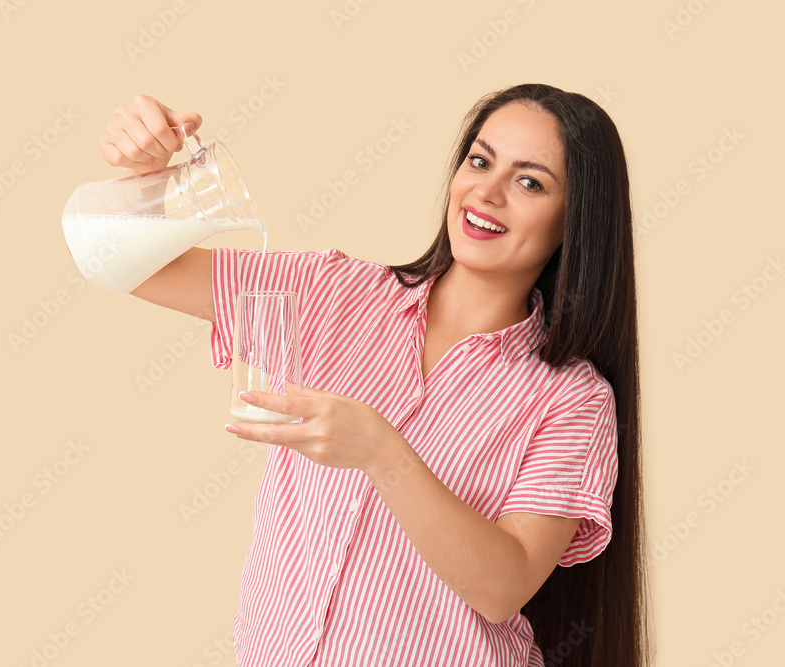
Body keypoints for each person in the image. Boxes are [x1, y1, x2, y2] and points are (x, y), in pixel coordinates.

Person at [97, 84, 650, 666]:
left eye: (529, 181)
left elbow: (502, 588)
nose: (486, 193)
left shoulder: (572, 399)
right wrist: (148, 173)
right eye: (480, 161)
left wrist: (384, 455)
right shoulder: (335, 294)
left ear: (576, 221)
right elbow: (125, 261)